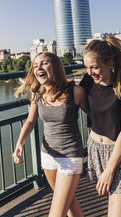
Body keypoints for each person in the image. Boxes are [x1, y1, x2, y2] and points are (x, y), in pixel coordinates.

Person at [13, 52, 87, 217]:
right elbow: (31, 121)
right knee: (70, 205)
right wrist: (20, 143)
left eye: (44, 63)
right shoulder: (37, 94)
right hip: (48, 156)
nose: (39, 67)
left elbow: (96, 117)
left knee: (56, 213)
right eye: (36, 65)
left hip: (70, 156)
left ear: (55, 67)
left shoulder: (75, 91)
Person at [80, 37, 121, 217]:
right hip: (95, 150)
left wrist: (109, 170)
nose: (90, 72)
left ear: (110, 62)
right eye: (87, 67)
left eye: (95, 67)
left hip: (118, 155)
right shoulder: (88, 81)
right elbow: (79, 101)